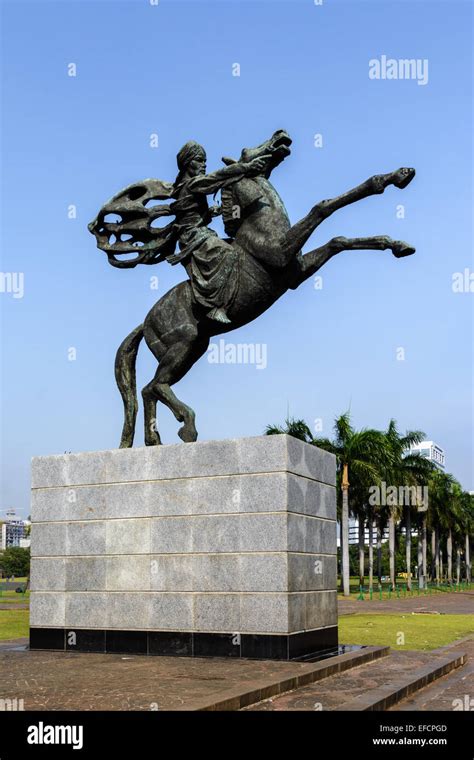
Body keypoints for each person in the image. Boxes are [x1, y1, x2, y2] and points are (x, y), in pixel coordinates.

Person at [170, 140, 268, 323]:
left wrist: (210, 212)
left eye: (204, 160)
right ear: (187, 163)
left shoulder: (189, 186)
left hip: (200, 232)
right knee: (228, 253)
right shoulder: (192, 184)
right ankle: (213, 306)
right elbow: (215, 179)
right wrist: (244, 168)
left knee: (239, 249)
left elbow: (190, 213)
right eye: (199, 160)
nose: (204, 164)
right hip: (192, 237)